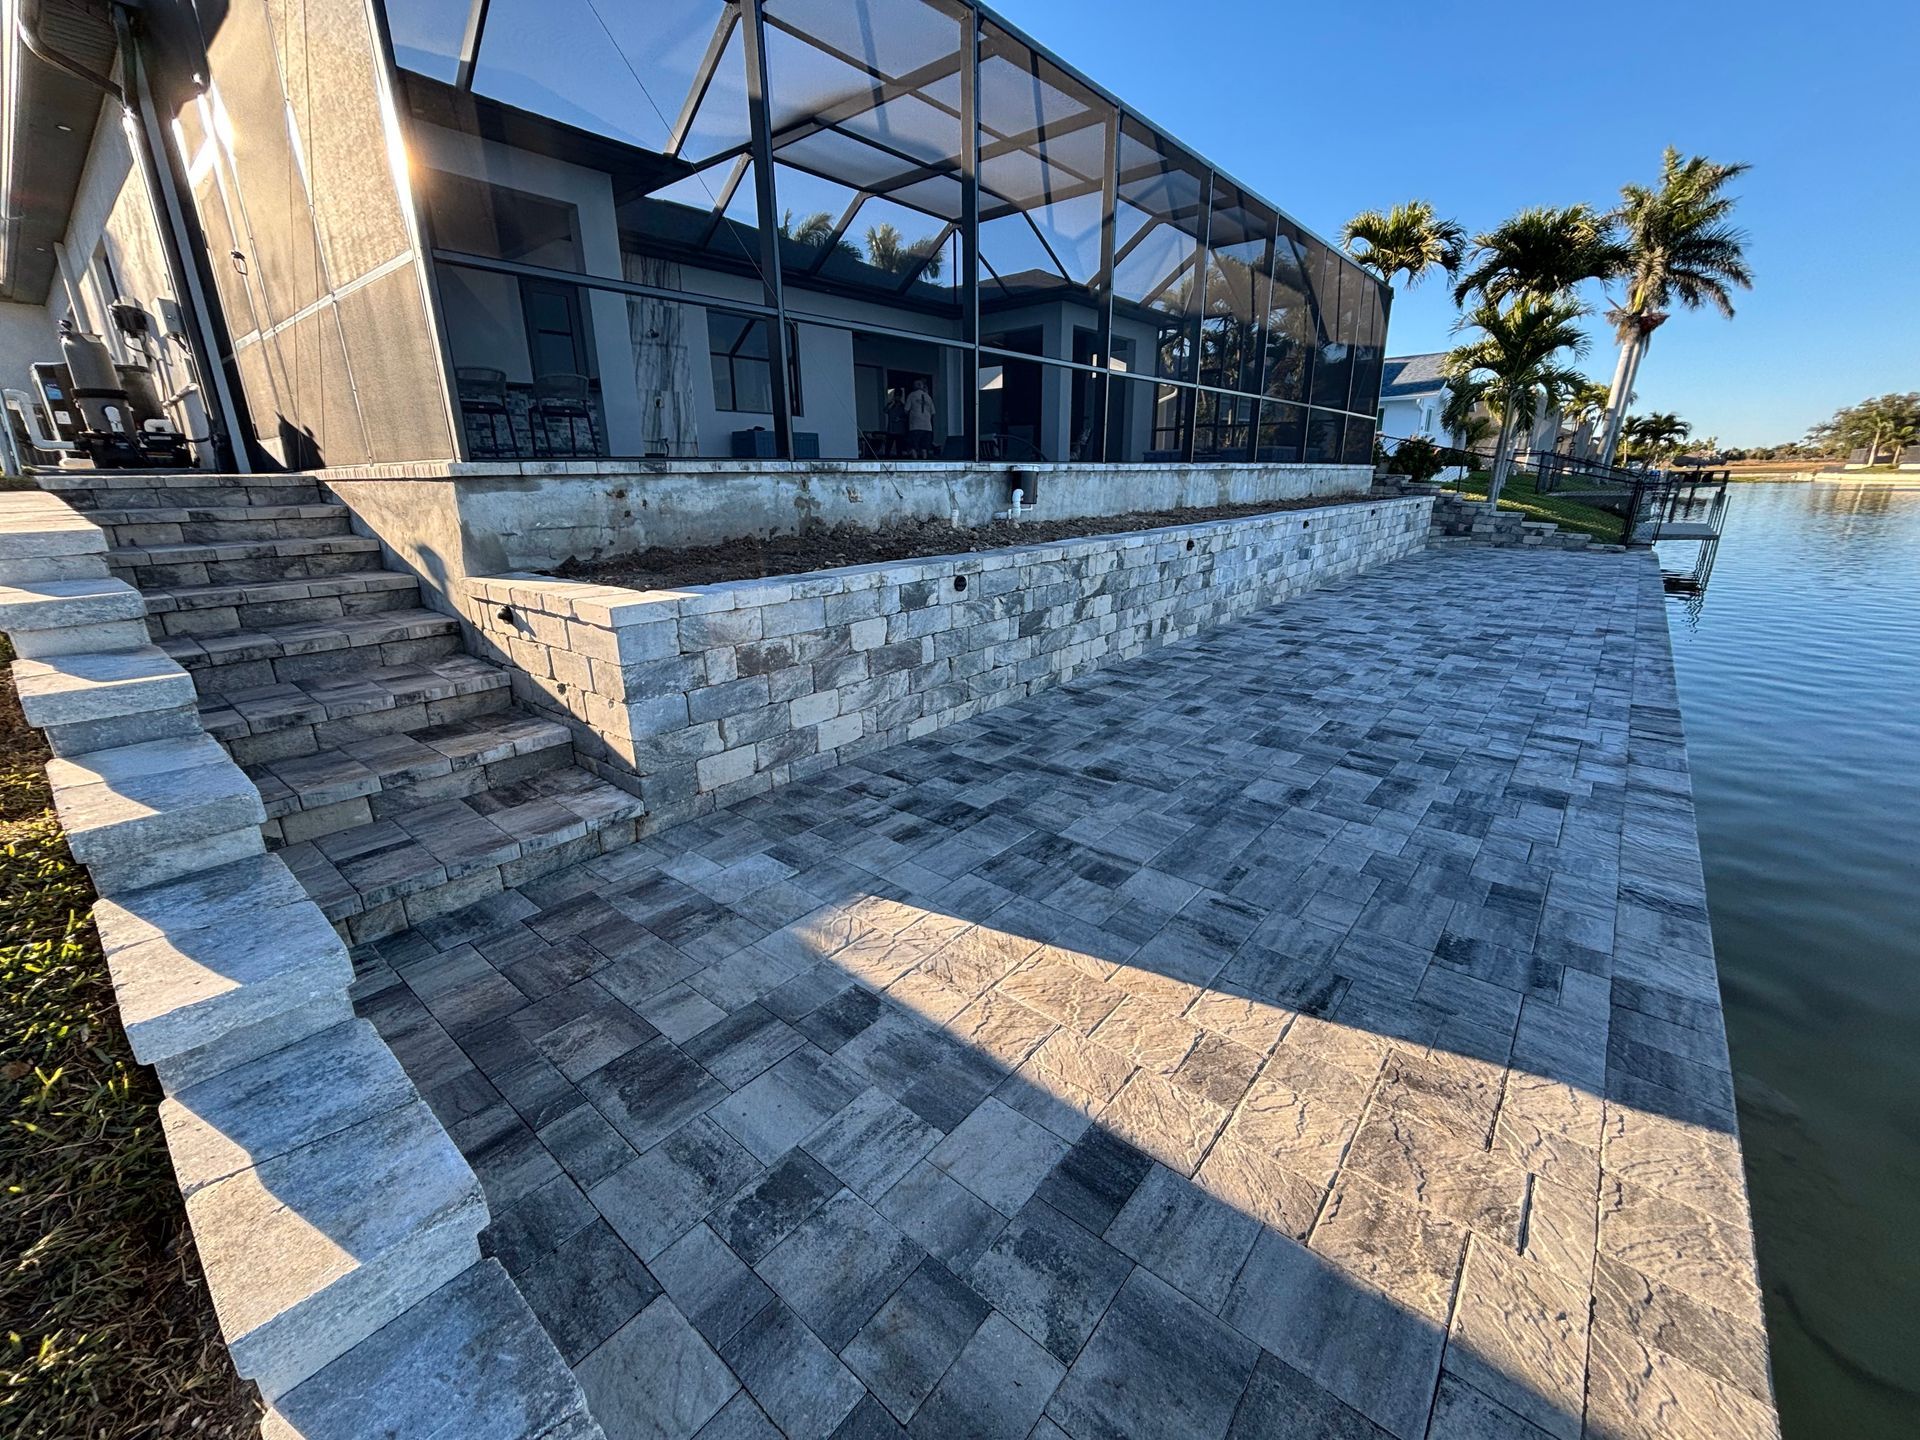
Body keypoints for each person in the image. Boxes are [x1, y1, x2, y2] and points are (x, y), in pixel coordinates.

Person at [905, 378, 936, 459]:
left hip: (915, 426)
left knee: (913, 445)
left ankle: (915, 461)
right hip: (927, 426)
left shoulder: (911, 395)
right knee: (924, 447)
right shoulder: (928, 397)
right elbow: (933, 412)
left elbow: (906, 410)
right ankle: (925, 461)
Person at [883, 387, 907, 458]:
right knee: (888, 447)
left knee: (899, 448)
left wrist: (899, 419)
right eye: (896, 396)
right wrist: (892, 403)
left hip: (900, 430)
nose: (897, 398)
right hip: (891, 429)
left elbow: (906, 417)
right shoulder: (890, 405)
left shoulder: (903, 406)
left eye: (898, 396)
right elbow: (885, 411)